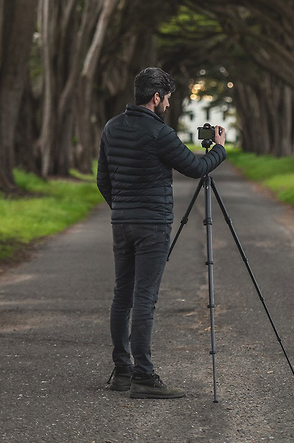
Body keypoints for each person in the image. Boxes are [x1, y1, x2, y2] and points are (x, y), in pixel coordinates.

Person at [97, 67, 226, 399]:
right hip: (152, 225)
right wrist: (219, 150)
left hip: (121, 222)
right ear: (156, 98)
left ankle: (122, 372)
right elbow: (196, 168)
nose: (168, 103)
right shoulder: (160, 133)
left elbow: (102, 180)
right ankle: (144, 376)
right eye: (167, 98)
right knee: (144, 299)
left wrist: (123, 208)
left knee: (122, 296)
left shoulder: (112, 127)